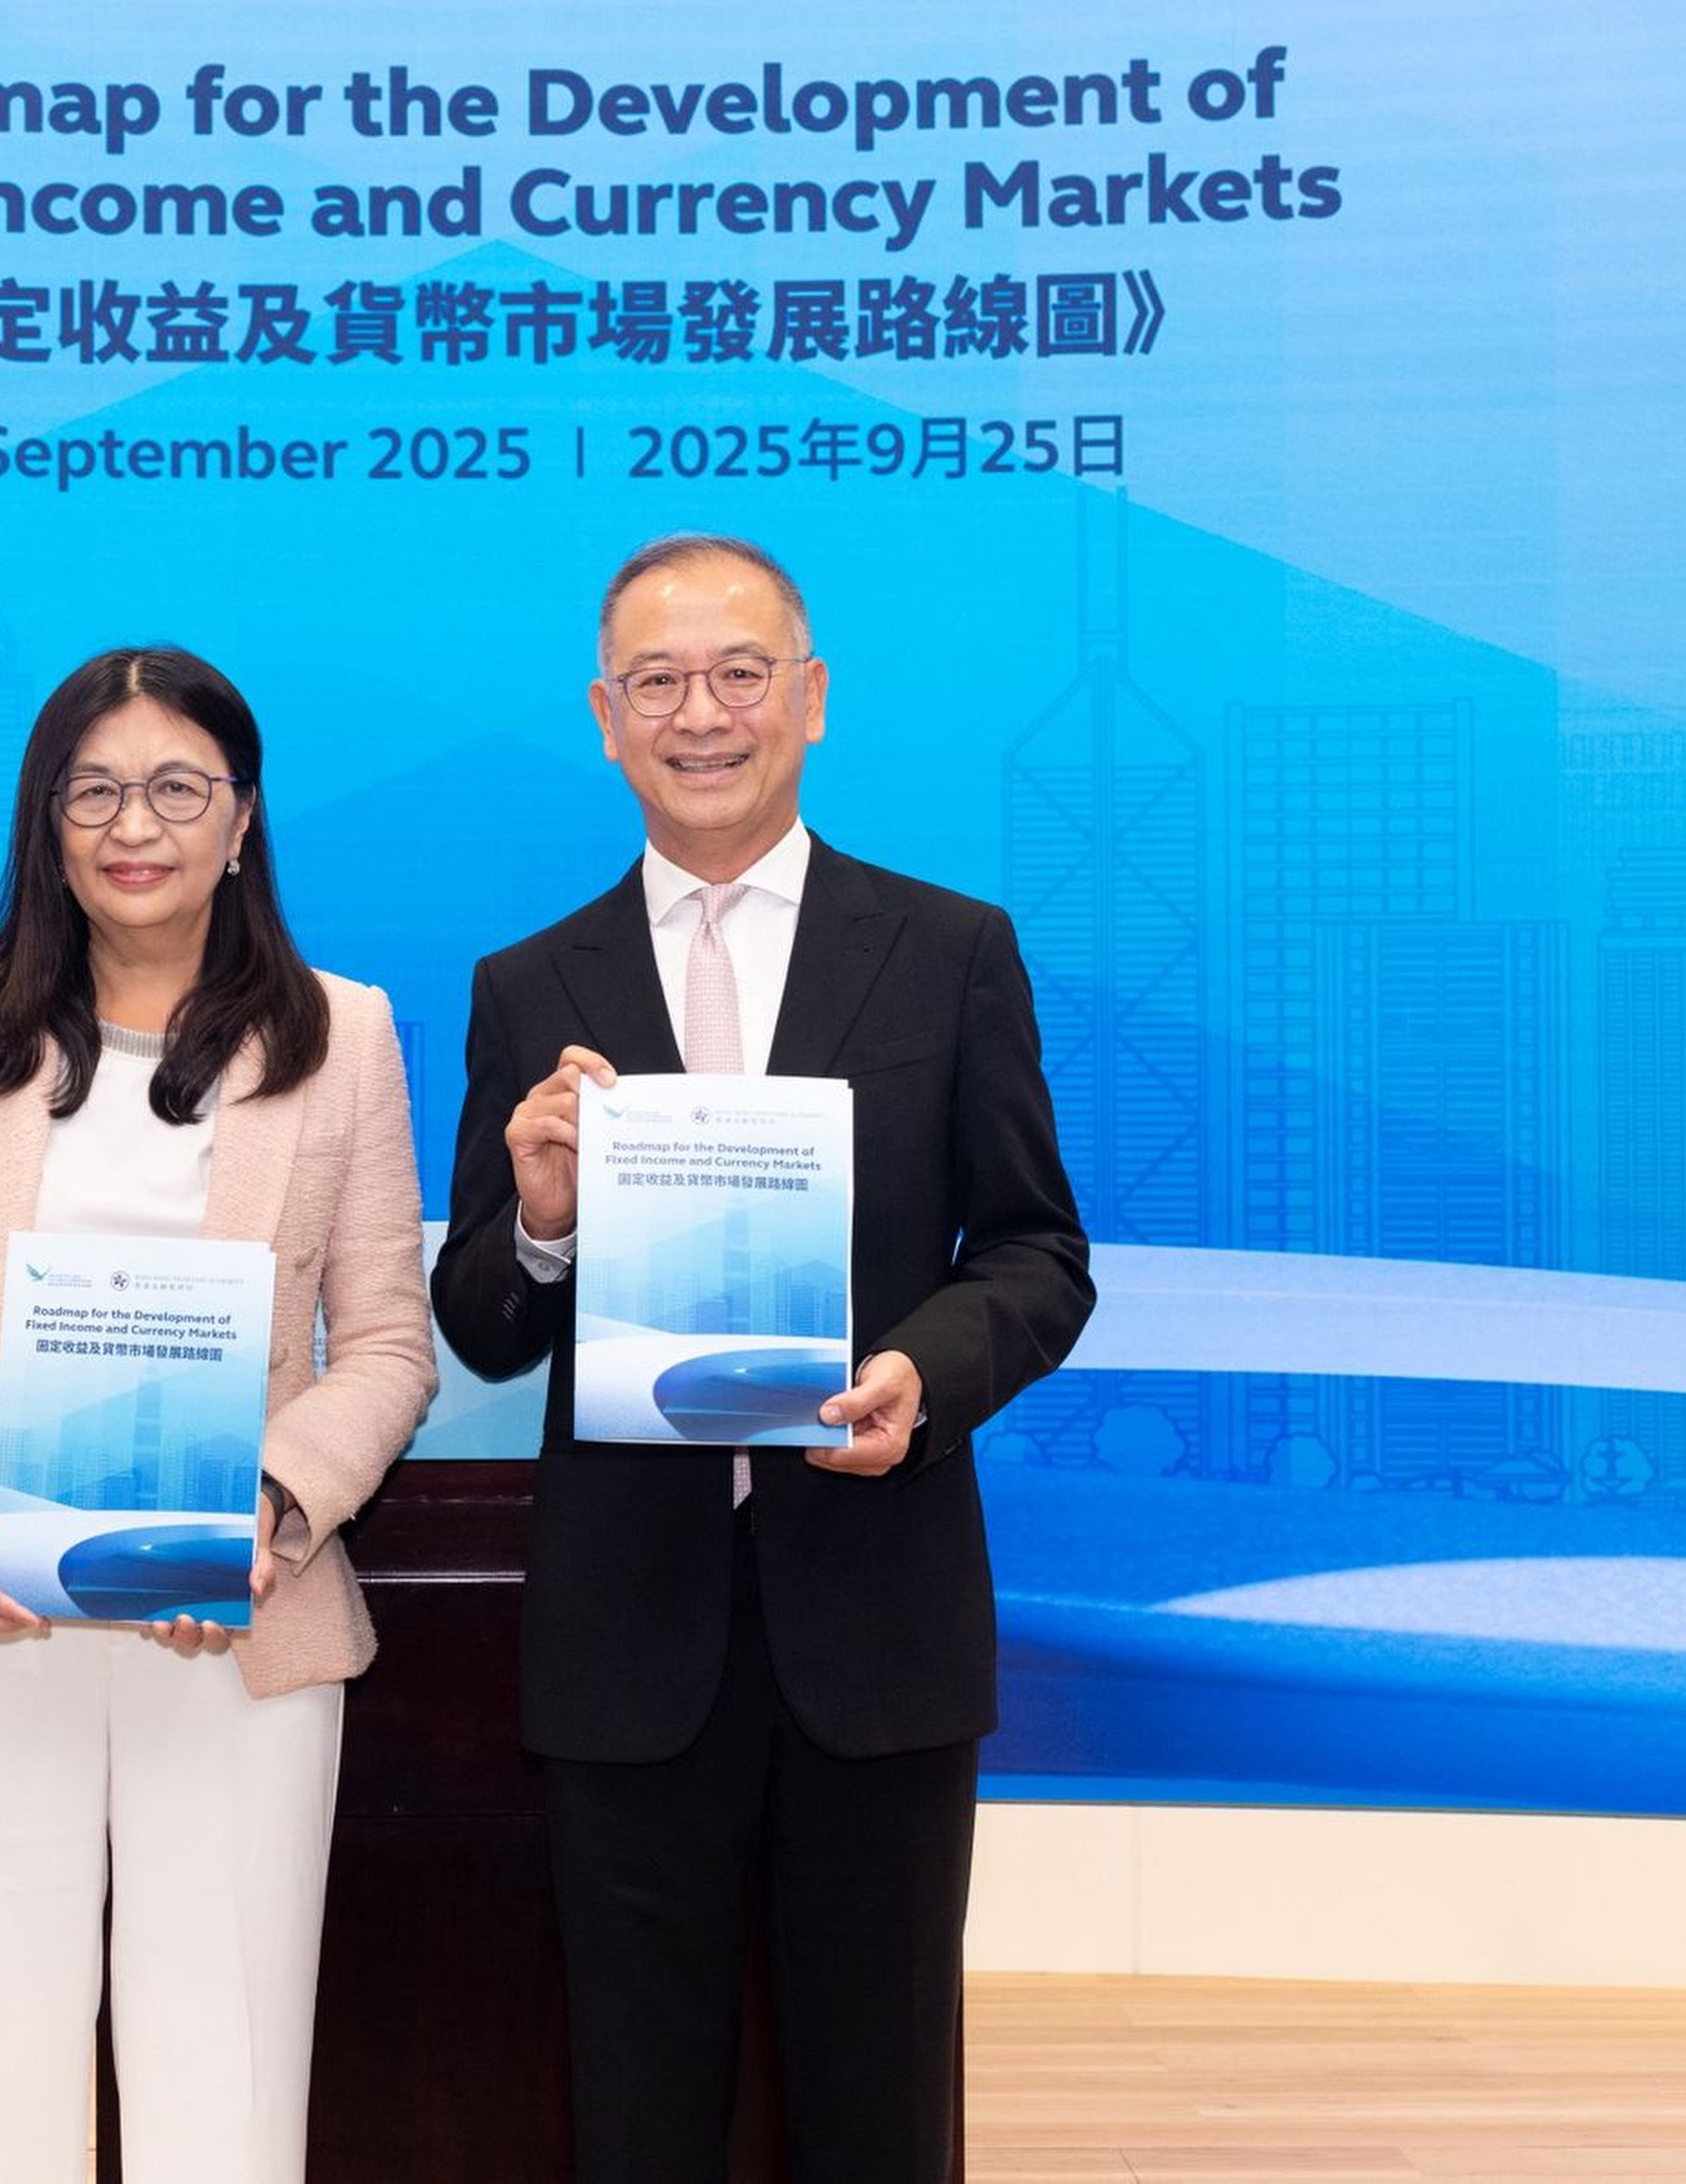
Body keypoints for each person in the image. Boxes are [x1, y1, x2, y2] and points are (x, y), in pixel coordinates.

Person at [429, 534, 1094, 2184]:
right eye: (657, 681)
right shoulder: (529, 988)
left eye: (739, 674)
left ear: (810, 700)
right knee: (637, 2108)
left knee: (878, 2104)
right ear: (603, 717)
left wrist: (922, 1377)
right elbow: (481, 1325)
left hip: (878, 1614)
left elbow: (1037, 1254)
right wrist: (541, 1223)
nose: (700, 713)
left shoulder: (947, 950)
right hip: (627, 1637)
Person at [0, 644, 437, 2184]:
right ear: (46, 820)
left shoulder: (342, 1035)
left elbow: (390, 1348)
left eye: (174, 787)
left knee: (221, 2075)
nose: (131, 824)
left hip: (230, 1625)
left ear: (242, 818)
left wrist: (269, 1508)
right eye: (92, 791)